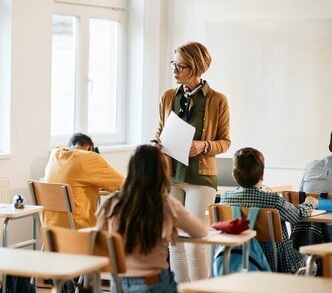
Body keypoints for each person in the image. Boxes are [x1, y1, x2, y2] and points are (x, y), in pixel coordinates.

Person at [155, 42, 230, 281]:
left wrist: (203, 146)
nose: (174, 70)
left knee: (195, 243)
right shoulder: (167, 97)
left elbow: (225, 141)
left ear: (197, 68)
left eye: (181, 66)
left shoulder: (218, 100)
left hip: (200, 177)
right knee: (175, 243)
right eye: (173, 64)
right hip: (171, 175)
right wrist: (157, 141)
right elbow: (159, 129)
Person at [96, 145, 208, 293]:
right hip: (153, 284)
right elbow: (200, 231)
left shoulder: (112, 203)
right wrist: (170, 223)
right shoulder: (165, 204)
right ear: (162, 172)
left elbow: (100, 240)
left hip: (118, 283)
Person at [221, 147, 319, 273]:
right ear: (262, 174)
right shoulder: (273, 200)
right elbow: (297, 215)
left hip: (238, 260)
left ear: (234, 176)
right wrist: (309, 203)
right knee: (310, 262)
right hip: (276, 262)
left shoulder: (225, 199)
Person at [44, 133, 124, 229]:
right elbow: (121, 182)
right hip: (79, 230)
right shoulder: (89, 157)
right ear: (90, 148)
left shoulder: (55, 154)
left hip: (50, 230)